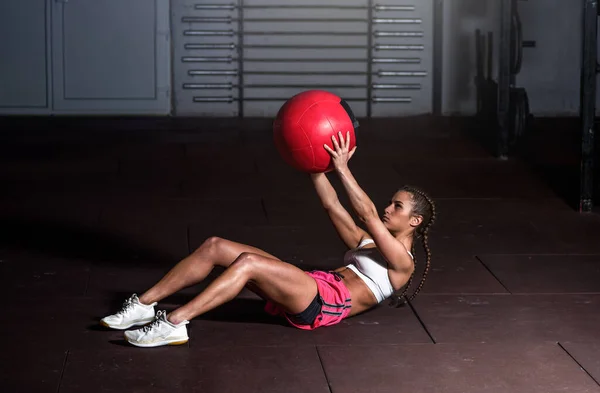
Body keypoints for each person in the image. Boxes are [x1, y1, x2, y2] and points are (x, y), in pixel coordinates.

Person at [100, 131, 436, 348]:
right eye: (391, 202)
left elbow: (365, 215)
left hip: (325, 304)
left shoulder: (403, 262)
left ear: (415, 221)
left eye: (397, 206)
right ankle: (142, 305)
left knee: (248, 263)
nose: (387, 207)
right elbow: (331, 203)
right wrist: (314, 162)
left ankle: (174, 323)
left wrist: (343, 168)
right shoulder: (367, 243)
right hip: (313, 285)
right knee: (216, 245)